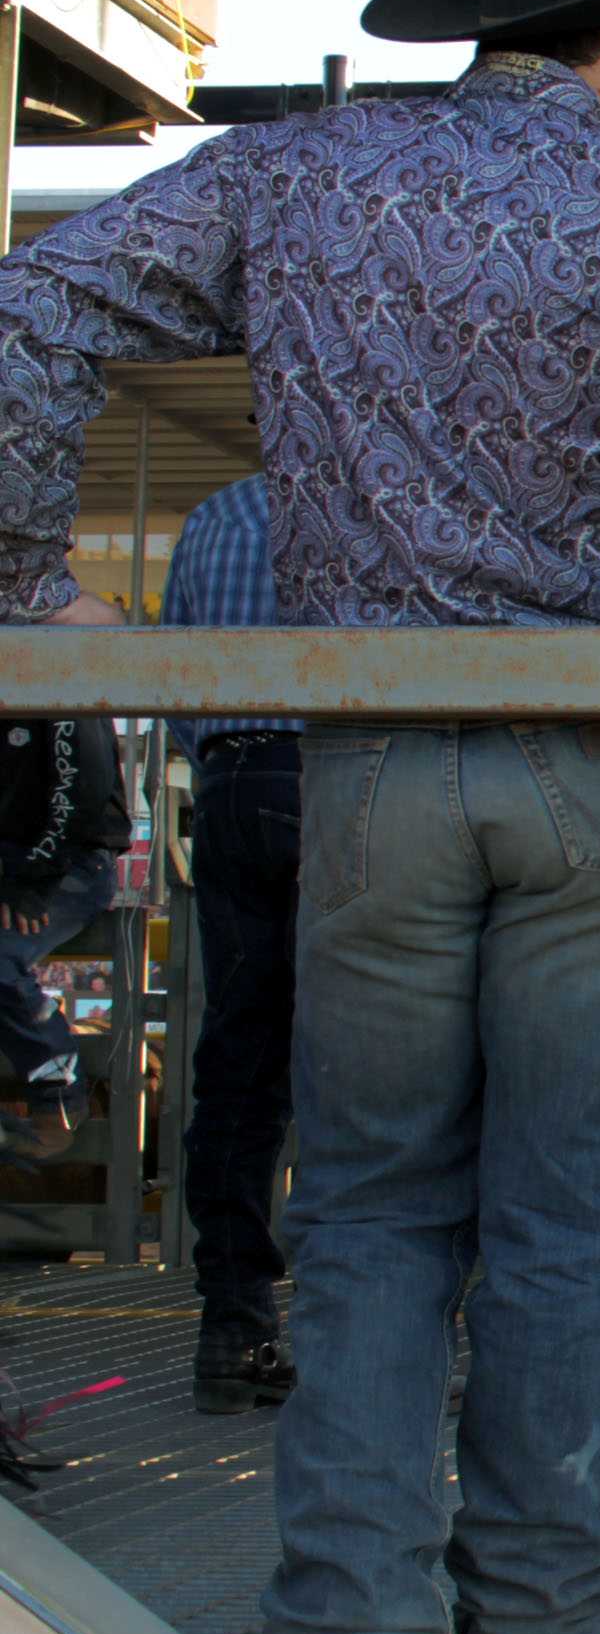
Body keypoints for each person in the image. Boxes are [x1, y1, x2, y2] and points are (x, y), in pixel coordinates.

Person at [0, 0, 600, 1634]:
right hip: (598, 758)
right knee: (571, 1208)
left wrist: (26, 571)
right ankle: (533, 1629)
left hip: (365, 755)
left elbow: (32, 303)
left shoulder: (295, 179)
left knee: (366, 1209)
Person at [157, 472, 309, 1410]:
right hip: (338, 771)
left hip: (228, 785)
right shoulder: (365, 495)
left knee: (241, 1061)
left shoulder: (210, 514)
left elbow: (173, 679)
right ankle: (367, 1326)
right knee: (375, 1055)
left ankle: (235, 1324)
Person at [0, 713, 130, 1152]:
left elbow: (82, 789)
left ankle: (58, 1094)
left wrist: (34, 880)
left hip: (71, 864)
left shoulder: (57, 678)